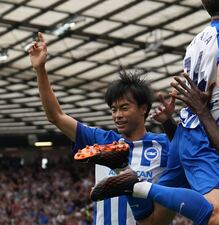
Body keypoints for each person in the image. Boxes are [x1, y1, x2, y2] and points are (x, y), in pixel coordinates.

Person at [91, 56, 219, 225]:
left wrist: (201, 111)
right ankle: (130, 181)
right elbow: (197, 150)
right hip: (217, 211)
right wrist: (169, 123)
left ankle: (135, 185)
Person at [28, 32, 172, 225]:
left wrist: (171, 123)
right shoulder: (102, 141)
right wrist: (40, 69)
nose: (117, 115)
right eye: (113, 109)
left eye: (124, 108)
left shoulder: (164, 145)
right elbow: (56, 116)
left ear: (143, 109)